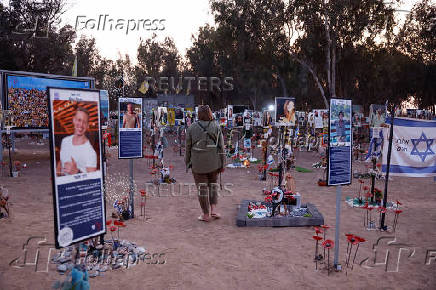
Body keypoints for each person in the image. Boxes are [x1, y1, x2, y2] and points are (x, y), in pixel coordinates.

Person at [185, 105, 225, 222]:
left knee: (202, 189)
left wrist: (187, 162)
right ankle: (213, 210)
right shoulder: (216, 126)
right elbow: (221, 147)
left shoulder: (191, 127)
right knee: (213, 186)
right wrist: (223, 164)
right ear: (209, 113)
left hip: (198, 164)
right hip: (214, 162)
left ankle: (206, 214)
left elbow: (187, 147)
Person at [57, 106, 97, 176]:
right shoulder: (65, 141)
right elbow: (61, 161)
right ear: (73, 120)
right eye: (79, 120)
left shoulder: (90, 152)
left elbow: (92, 181)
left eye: (84, 122)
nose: (81, 125)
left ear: (87, 125)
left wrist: (77, 172)